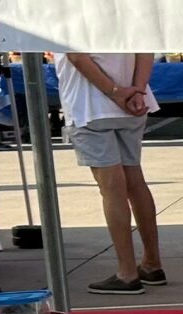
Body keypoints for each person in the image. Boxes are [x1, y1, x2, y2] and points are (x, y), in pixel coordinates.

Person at [55, 53, 167, 293]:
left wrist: (115, 92)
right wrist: (137, 89)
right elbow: (144, 51)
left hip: (90, 104)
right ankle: (152, 262)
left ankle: (127, 272)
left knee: (112, 188)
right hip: (133, 101)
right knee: (135, 182)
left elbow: (77, 57)